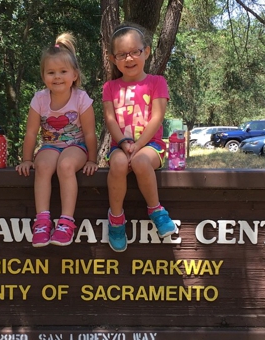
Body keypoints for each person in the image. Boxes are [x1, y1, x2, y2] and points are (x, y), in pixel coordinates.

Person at [16, 33, 98, 247]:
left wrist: (92, 160)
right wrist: (26, 159)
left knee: (66, 165)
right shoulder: (39, 99)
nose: (57, 77)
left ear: (74, 75)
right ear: (43, 76)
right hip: (50, 145)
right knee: (42, 166)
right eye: (51, 72)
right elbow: (32, 133)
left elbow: (90, 133)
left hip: (76, 146)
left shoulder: (81, 99)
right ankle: (42, 220)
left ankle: (66, 221)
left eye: (63, 72)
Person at [102, 23, 177, 252]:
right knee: (118, 163)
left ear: (146, 51)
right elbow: (110, 120)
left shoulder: (157, 82)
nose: (129, 58)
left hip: (150, 145)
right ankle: (116, 219)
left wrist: (138, 145)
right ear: (113, 59)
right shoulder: (109, 87)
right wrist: (124, 144)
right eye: (122, 54)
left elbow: (157, 117)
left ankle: (156, 210)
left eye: (135, 51)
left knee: (140, 161)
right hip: (120, 146)